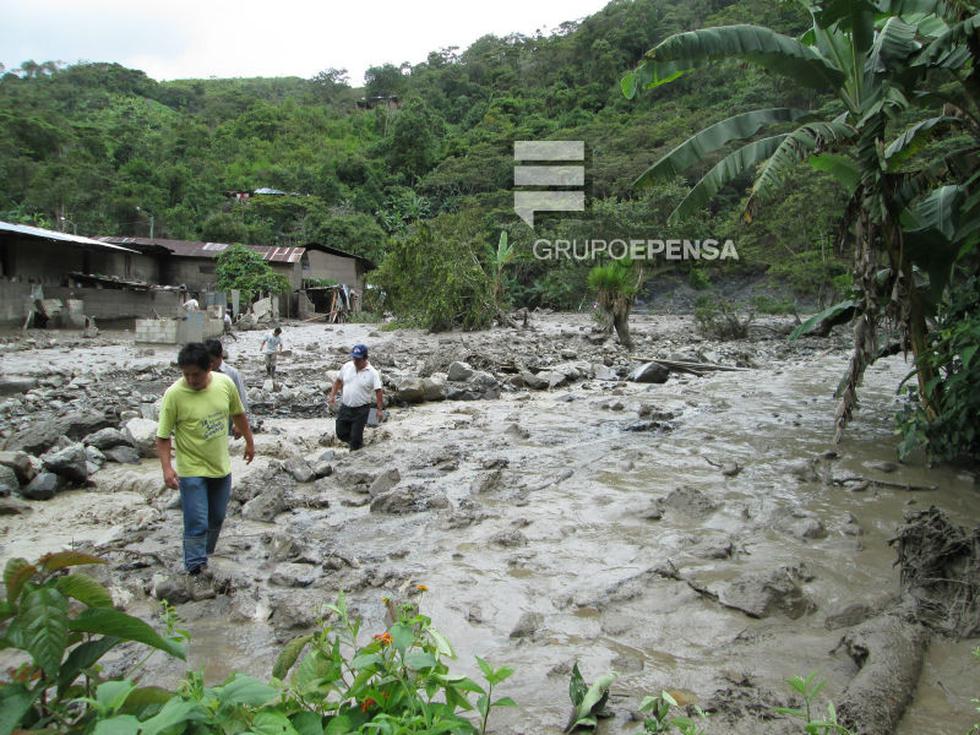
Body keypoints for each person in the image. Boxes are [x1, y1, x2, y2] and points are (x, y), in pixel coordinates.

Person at [155, 342, 255, 584]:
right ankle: (195, 567)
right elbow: (163, 436)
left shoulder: (225, 384)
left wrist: (250, 443)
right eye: (186, 374)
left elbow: (238, 414)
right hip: (191, 469)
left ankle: (205, 554)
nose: (191, 380)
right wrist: (168, 468)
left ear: (209, 367)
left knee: (217, 517)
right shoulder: (174, 394)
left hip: (220, 466)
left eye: (196, 374)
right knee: (196, 519)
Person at [328, 343, 384, 451]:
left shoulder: (373, 373)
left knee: (355, 438)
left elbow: (378, 391)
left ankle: (356, 451)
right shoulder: (347, 366)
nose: (356, 362)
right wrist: (332, 396)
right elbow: (338, 381)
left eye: (358, 359)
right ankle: (358, 444)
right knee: (340, 432)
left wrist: (379, 410)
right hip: (346, 407)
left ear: (365, 358)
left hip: (361, 409)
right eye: (354, 358)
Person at [204, 339, 248, 437]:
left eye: (212, 361)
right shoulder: (203, 373)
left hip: (225, 422)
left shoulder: (232, 374)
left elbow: (241, 400)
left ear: (220, 356)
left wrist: (239, 425)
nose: (209, 365)